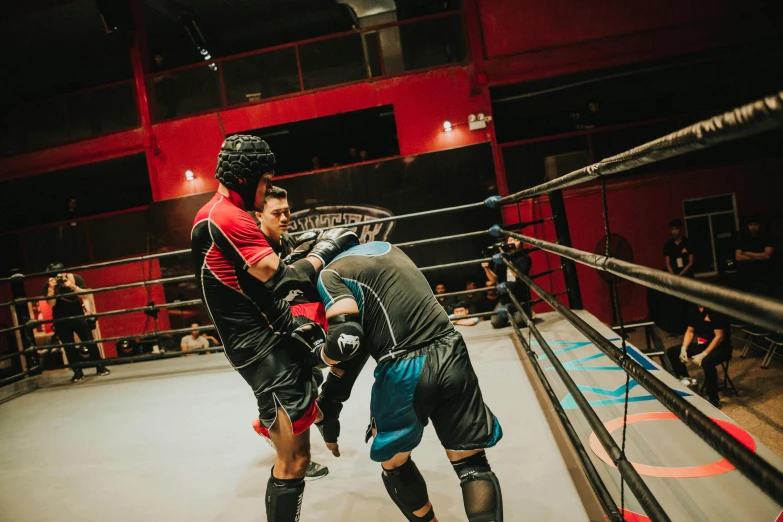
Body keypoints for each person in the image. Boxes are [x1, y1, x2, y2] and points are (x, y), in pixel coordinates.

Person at [190, 134, 358, 521]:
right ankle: (292, 419)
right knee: (295, 460)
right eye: (265, 181)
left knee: (326, 357)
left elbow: (257, 284)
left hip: (269, 335)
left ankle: (303, 415)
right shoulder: (226, 217)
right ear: (248, 179)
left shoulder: (220, 214)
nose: (267, 189)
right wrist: (326, 249)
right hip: (261, 348)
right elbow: (286, 281)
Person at [307, 241, 504, 522]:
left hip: (403, 367)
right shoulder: (387, 248)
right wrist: (331, 405)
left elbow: (346, 340)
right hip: (451, 349)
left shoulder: (329, 274)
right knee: (471, 463)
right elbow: (361, 344)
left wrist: (316, 357)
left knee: (395, 465)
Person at [252, 185, 330, 481]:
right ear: (259, 215)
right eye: (277, 213)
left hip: (295, 324)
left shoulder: (290, 242)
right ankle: (292, 455)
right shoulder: (254, 247)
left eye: (287, 211)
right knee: (293, 392)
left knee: (310, 381)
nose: (285, 217)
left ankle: (270, 428)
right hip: (266, 331)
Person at [43, 262, 109, 383]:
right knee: (69, 347)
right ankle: (77, 372)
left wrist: (72, 286)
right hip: (60, 319)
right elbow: (51, 303)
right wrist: (52, 288)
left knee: (89, 341)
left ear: (64, 272)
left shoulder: (75, 278)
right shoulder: (48, 285)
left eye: (58, 274)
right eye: (53, 275)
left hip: (78, 315)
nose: (57, 277)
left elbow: (84, 295)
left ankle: (100, 366)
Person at [666, 304, 733, 408]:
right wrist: (684, 348)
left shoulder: (715, 311)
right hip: (702, 344)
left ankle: (713, 397)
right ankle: (686, 382)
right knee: (673, 352)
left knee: (707, 362)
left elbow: (719, 337)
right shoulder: (694, 310)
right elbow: (690, 331)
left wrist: (704, 354)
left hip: (721, 348)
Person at [482, 235, 532, 329]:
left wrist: (507, 259)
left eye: (515, 240)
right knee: (495, 323)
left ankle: (526, 312)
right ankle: (511, 314)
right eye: (510, 240)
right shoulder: (501, 259)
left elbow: (516, 275)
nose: (512, 242)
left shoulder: (525, 258)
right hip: (505, 298)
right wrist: (486, 268)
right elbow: (493, 279)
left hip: (520, 297)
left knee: (520, 323)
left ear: (521, 243)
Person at [661, 219, 696, 333]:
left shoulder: (688, 242)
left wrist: (681, 275)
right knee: (676, 304)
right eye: (672, 229)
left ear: (681, 229)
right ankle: (678, 329)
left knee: (690, 303)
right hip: (674, 278)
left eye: (676, 229)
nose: (674, 231)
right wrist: (674, 276)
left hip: (687, 277)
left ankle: (692, 328)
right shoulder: (668, 245)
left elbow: (691, 262)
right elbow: (668, 262)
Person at [735, 215, 776, 296]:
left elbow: (767, 256)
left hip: (763, 274)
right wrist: (759, 256)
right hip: (747, 275)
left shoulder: (766, 238)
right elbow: (738, 257)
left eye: (756, 224)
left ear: (760, 225)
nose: (753, 227)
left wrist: (747, 253)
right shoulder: (743, 239)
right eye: (751, 225)